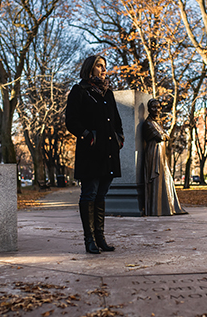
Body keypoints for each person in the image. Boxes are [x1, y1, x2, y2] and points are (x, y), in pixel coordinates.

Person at [65, 55, 124, 254]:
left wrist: (119, 138)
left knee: (102, 194)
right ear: (90, 68)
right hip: (90, 152)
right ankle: (89, 239)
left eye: (105, 66)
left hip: (108, 151)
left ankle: (101, 238)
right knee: (89, 194)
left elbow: (116, 120)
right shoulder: (79, 91)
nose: (103, 69)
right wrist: (88, 136)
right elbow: (71, 121)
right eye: (99, 65)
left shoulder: (108, 93)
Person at [143, 99, 186, 216]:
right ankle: (155, 209)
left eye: (158, 107)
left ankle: (166, 207)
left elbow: (165, 136)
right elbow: (161, 136)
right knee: (156, 179)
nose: (156, 110)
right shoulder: (148, 123)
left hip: (161, 154)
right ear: (149, 109)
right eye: (153, 107)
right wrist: (163, 135)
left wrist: (164, 135)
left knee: (165, 178)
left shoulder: (157, 123)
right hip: (154, 153)